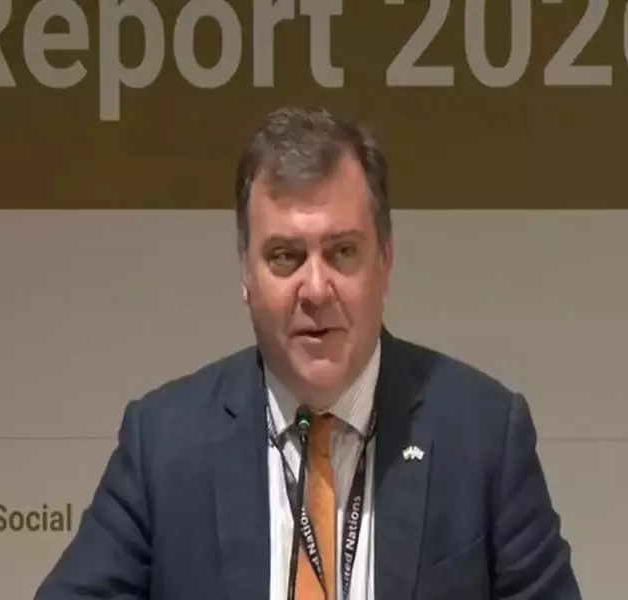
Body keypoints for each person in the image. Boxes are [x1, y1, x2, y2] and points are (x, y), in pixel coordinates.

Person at [34, 106, 581, 599]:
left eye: (342, 251)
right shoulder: (163, 444)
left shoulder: (483, 436)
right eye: (285, 256)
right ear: (246, 275)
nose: (316, 290)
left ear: (385, 262)